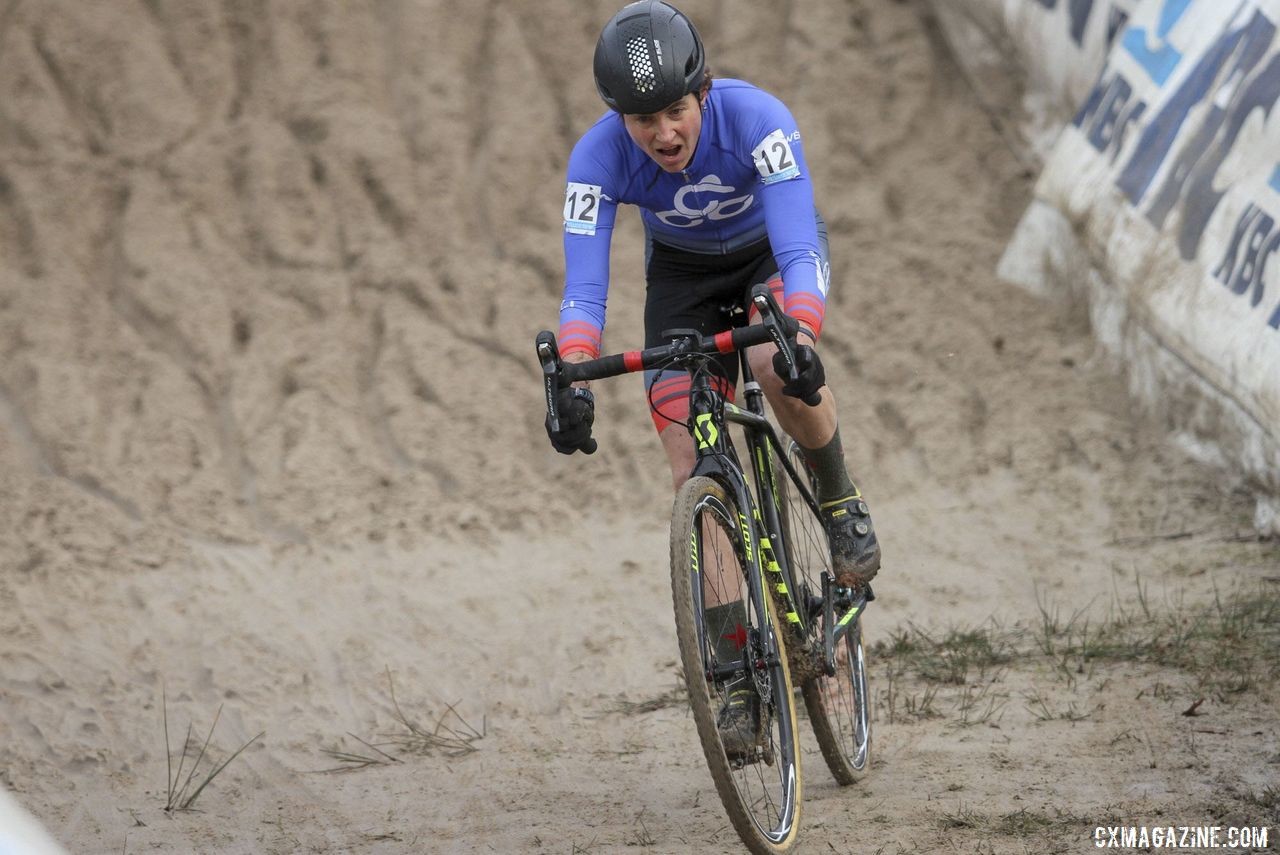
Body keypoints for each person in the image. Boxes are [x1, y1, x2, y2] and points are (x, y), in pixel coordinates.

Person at [545, 0, 880, 757]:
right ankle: (733, 675)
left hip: (770, 257)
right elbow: (584, 291)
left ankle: (838, 495)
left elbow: (799, 244)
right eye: (641, 119)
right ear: (616, 119)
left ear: (704, 91)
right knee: (685, 455)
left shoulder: (757, 118)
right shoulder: (596, 160)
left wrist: (800, 328)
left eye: (674, 110)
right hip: (683, 282)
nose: (662, 133)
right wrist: (572, 371)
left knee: (772, 362)